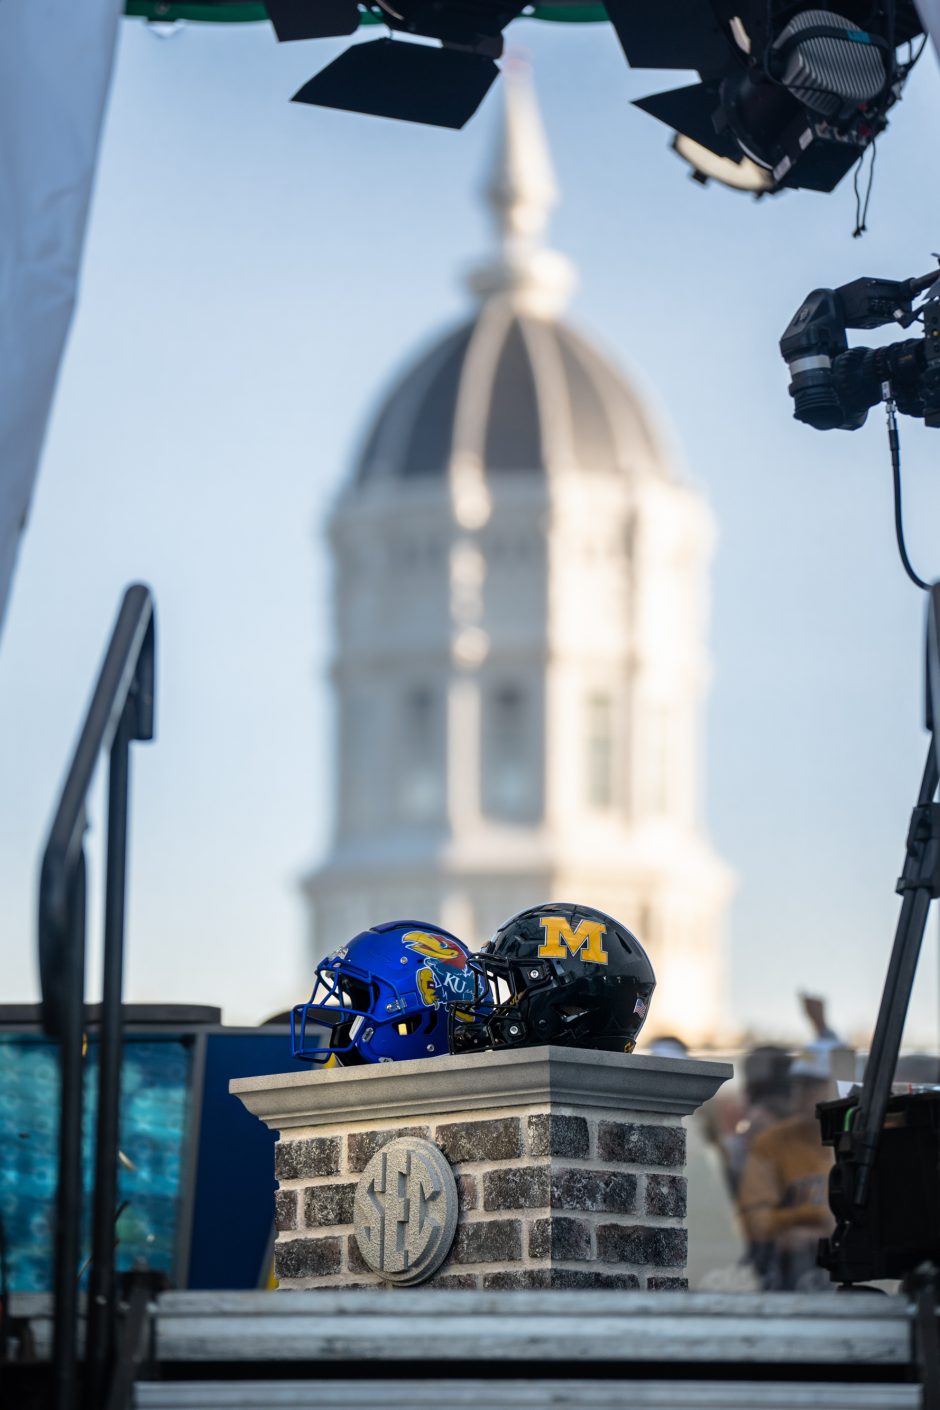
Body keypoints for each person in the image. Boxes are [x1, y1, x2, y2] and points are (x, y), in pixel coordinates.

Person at [736, 1046, 836, 1290]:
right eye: (797, 1085)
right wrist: (810, 1224)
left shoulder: (859, 1141)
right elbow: (755, 1221)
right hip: (786, 1268)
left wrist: (815, 1231)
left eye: (813, 1085)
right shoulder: (772, 1142)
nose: (802, 1093)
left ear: (835, 1087)